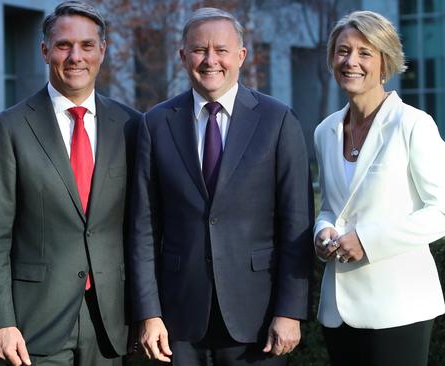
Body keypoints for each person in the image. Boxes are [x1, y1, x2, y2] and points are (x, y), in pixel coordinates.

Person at [130, 7, 314, 366]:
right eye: (199, 50)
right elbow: (143, 229)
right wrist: (149, 313)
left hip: (257, 318)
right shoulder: (155, 124)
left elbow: (297, 223)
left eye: (222, 50)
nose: (210, 60)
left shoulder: (278, 121)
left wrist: (290, 312)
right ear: (183, 57)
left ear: (241, 56)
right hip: (178, 318)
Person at [0, 1, 141, 366]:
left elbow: (141, 228)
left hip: (111, 318)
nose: (75, 56)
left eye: (86, 45)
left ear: (103, 50)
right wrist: (1, 320)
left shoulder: (131, 126)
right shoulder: (10, 127)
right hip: (34, 321)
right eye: (64, 45)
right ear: (45, 50)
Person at [313, 10, 445, 366]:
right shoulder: (325, 131)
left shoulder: (414, 125)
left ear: (385, 62)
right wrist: (323, 231)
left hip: (399, 307)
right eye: (343, 51)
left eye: (365, 52)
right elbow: (332, 207)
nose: (351, 62)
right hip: (338, 309)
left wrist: (367, 240)